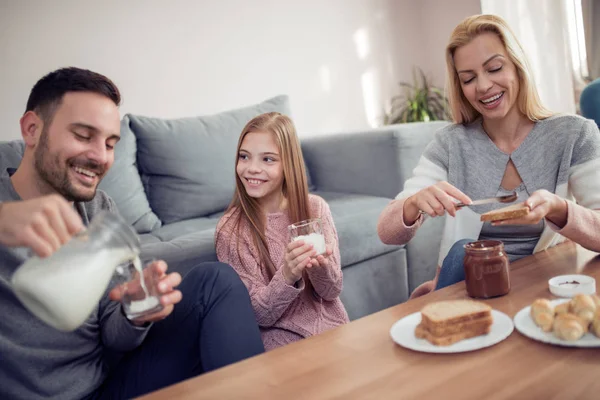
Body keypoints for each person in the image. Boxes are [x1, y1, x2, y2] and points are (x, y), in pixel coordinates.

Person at [0, 67, 264, 400]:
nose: (100, 157)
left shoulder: (99, 209)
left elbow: (113, 335)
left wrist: (135, 312)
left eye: (110, 144)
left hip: (105, 390)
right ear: (32, 129)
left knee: (216, 283)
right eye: (83, 135)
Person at [377, 14, 600, 298]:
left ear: (517, 66)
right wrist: (412, 205)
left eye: (494, 68)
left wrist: (559, 208)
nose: (482, 86)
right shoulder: (450, 142)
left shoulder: (574, 133)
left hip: (547, 284)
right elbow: (387, 232)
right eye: (468, 78)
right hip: (470, 287)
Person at [215, 112, 349, 350]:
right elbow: (258, 315)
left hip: (336, 333)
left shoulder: (315, 208)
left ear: (289, 164)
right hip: (286, 345)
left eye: (268, 159)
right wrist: (287, 274)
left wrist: (321, 266)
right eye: (244, 157)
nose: (252, 168)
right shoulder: (231, 230)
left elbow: (332, 291)